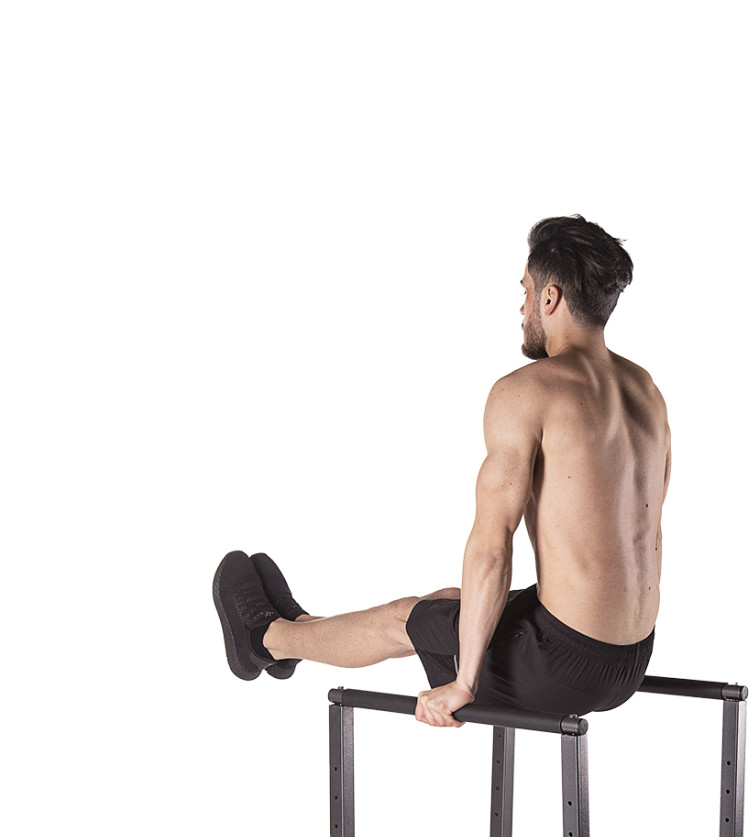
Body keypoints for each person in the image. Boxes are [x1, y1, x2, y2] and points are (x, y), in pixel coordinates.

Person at [212, 214, 671, 727]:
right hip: (629, 660)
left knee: (404, 618)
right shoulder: (645, 391)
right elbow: (647, 534)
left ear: (550, 298)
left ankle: (265, 641)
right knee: (450, 603)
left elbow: (492, 549)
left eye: (525, 292)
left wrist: (463, 684)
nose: (521, 308)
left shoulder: (528, 391)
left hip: (559, 670)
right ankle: (306, 626)